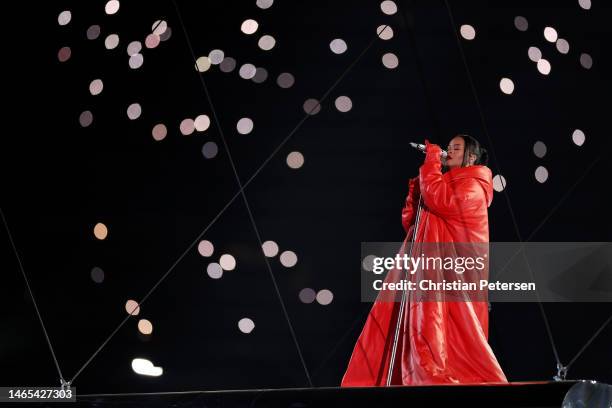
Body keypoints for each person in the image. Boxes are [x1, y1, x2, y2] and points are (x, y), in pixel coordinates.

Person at [341, 135, 507, 386]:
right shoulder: (442, 182)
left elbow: (441, 201)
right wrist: (418, 189)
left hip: (452, 275)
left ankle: (436, 374)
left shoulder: (473, 186)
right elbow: (412, 222)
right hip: (427, 269)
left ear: (471, 157)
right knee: (419, 323)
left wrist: (430, 164)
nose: (448, 150)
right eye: (448, 147)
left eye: (456, 148)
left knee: (444, 331)